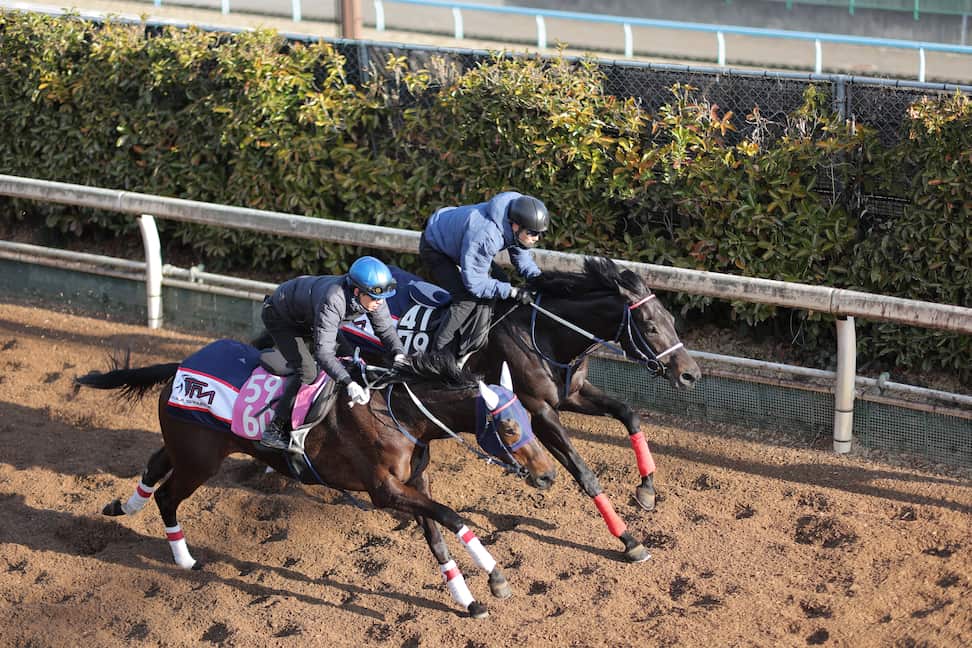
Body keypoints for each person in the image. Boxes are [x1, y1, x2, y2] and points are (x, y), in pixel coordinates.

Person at [259, 256, 407, 451]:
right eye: (374, 298)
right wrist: (349, 383)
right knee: (308, 372)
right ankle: (275, 429)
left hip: (311, 317)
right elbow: (324, 354)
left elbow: (386, 331)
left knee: (352, 360)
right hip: (282, 319)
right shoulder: (334, 298)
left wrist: (399, 354)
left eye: (382, 299)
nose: (379, 303)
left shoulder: (373, 298)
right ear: (356, 291)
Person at [419, 191, 549, 360]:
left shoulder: (514, 218)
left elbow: (521, 257)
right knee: (466, 298)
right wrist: (513, 292)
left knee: (501, 279)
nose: (537, 238)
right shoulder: (487, 236)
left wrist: (540, 280)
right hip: (435, 247)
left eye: (540, 233)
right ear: (516, 226)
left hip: (460, 243)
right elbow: (475, 284)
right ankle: (437, 356)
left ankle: (479, 337)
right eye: (533, 233)